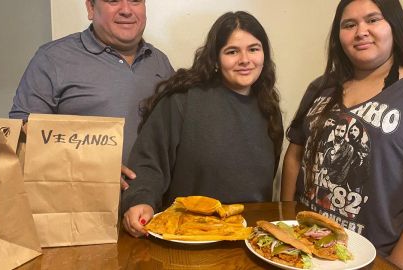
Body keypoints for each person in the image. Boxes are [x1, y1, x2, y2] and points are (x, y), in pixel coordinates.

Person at [281, 0, 403, 269]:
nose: (360, 31)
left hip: (380, 258)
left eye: (373, 20)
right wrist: (287, 224)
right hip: (309, 250)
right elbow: (294, 155)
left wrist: (397, 266)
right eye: (349, 24)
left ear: (394, 26)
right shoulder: (321, 86)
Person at [121, 11, 283, 237]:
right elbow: (150, 162)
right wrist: (141, 201)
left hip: (248, 237)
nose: (245, 59)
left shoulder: (269, 108)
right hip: (186, 236)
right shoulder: (182, 100)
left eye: (254, 49)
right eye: (232, 51)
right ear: (216, 58)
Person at [8, 0, 174, 188]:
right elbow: (23, 127)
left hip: (150, 203)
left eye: (135, 1)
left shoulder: (159, 61)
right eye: (113, 1)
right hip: (80, 202)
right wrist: (89, 164)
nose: (126, 10)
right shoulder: (53, 58)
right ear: (91, 8)